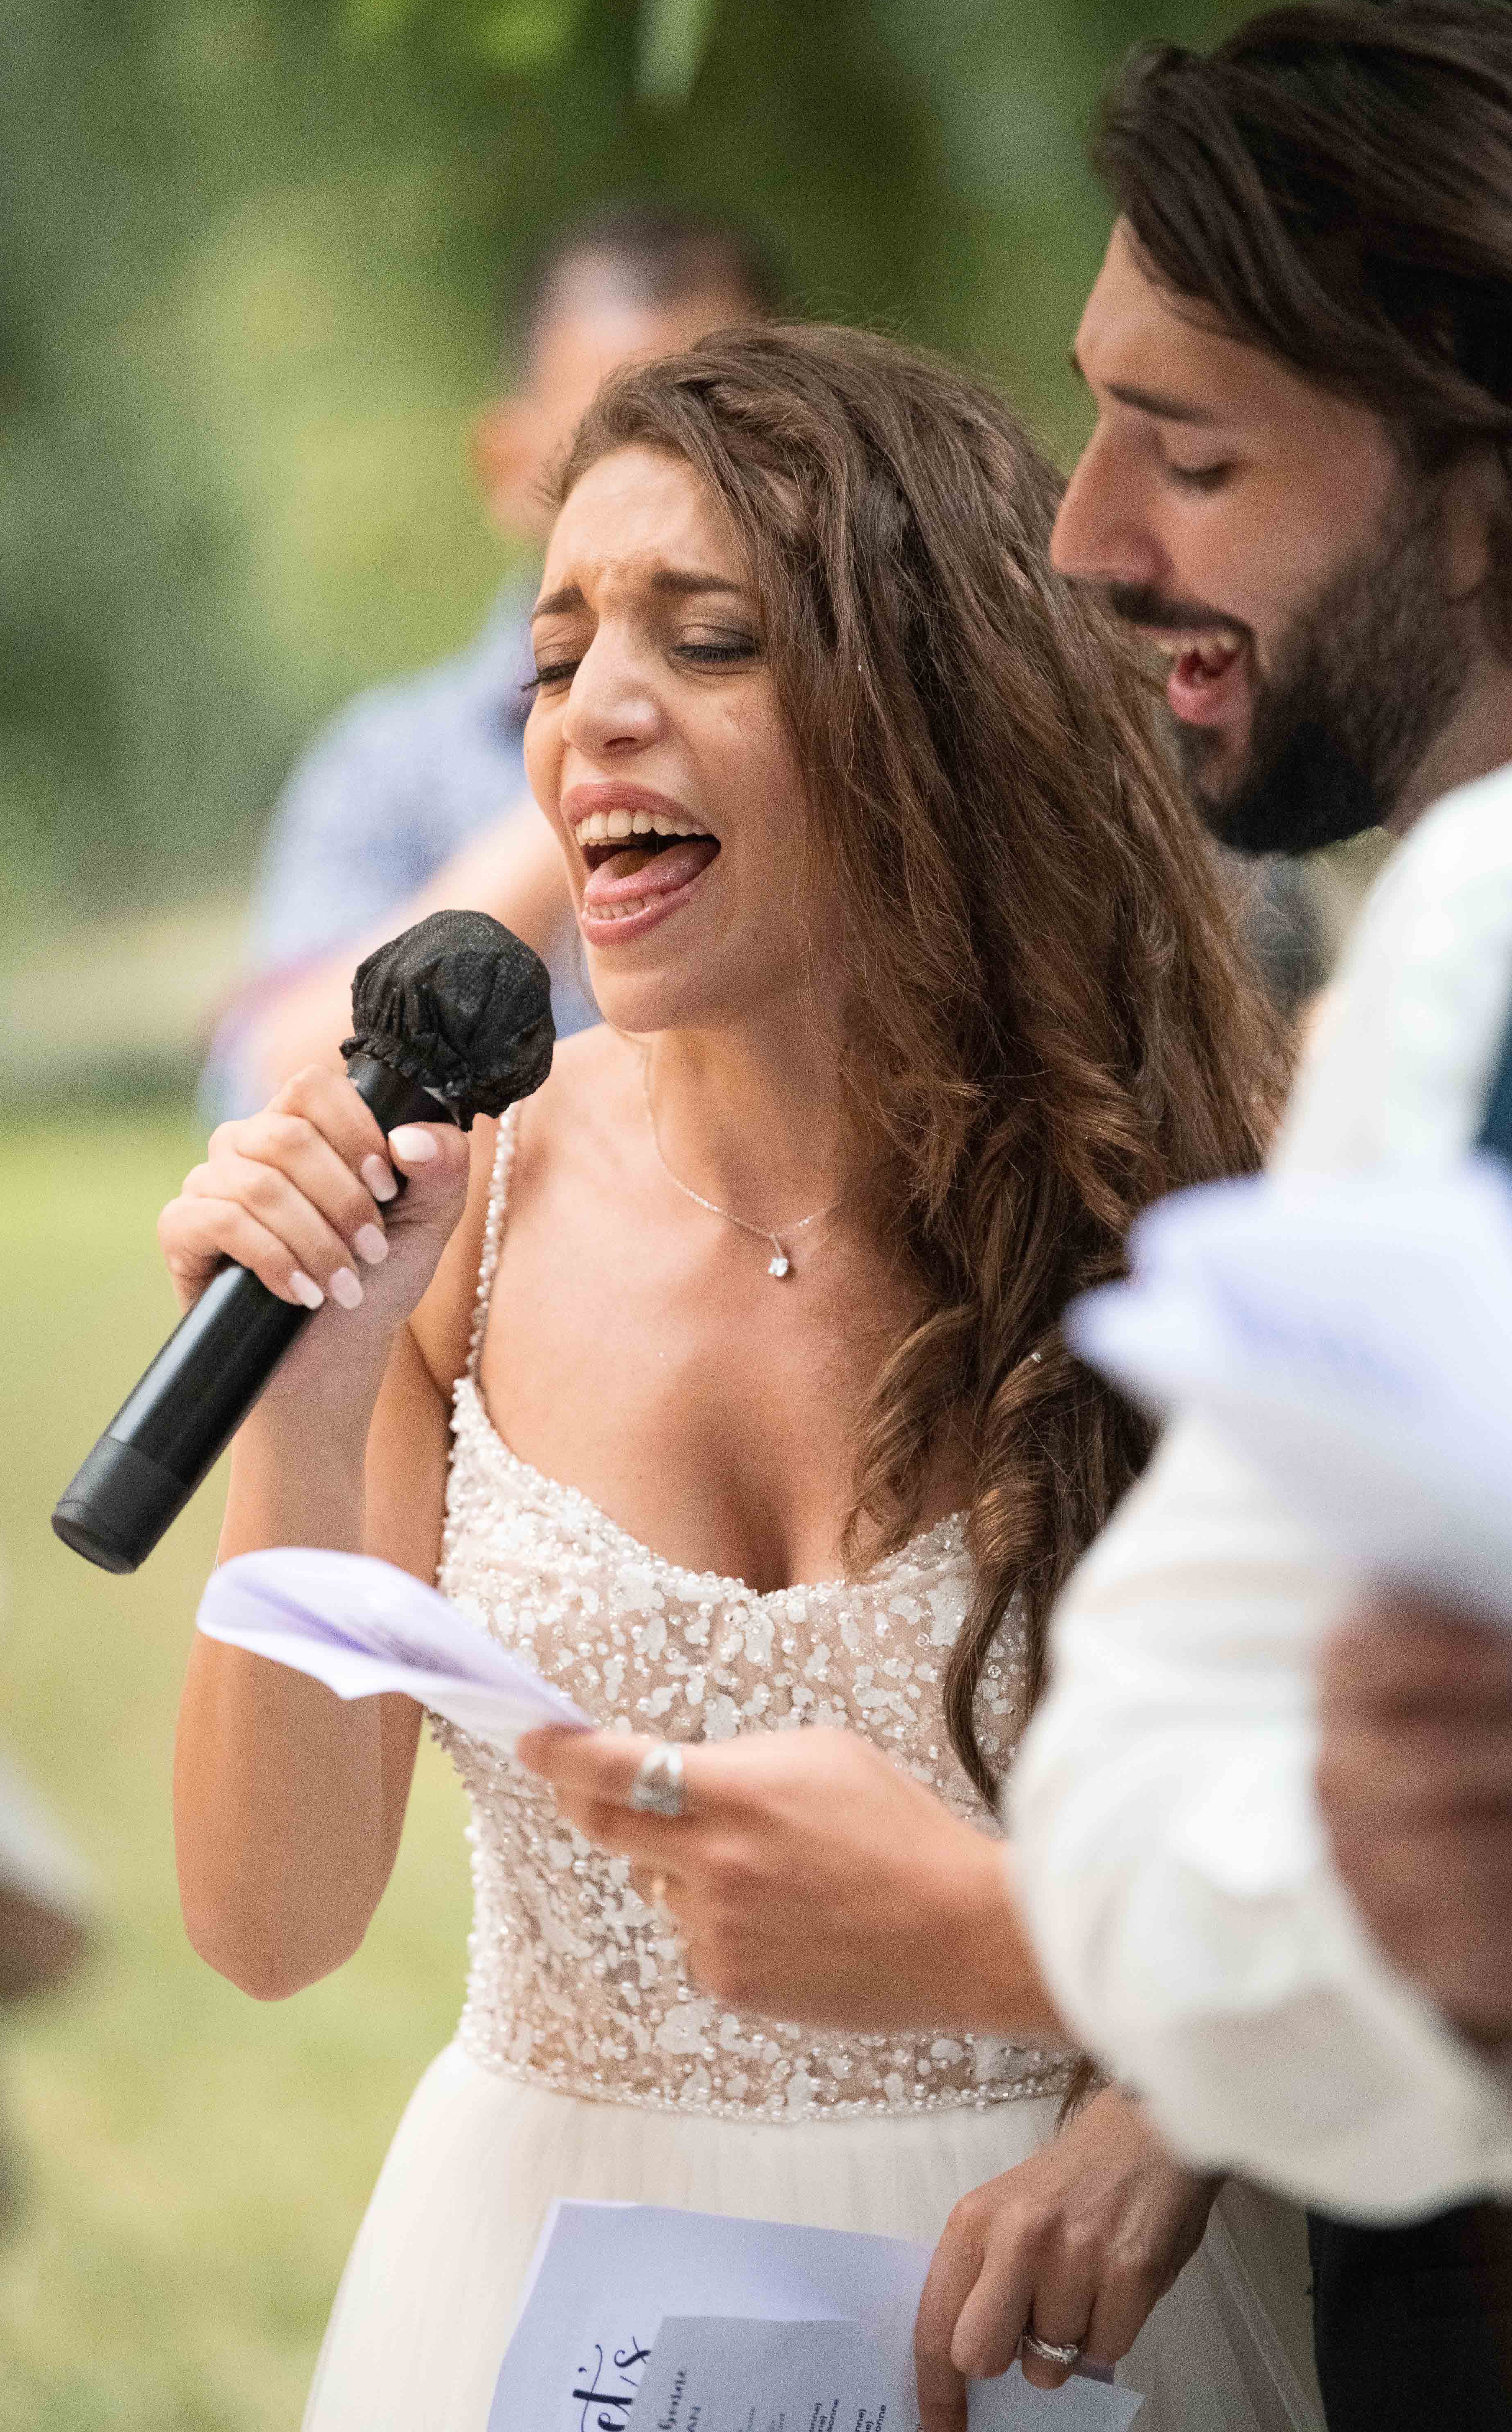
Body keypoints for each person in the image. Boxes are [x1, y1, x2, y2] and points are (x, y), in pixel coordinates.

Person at [523, 0, 1512, 2424]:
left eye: (1192, 455)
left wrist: (984, 1926)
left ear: (1480, 470)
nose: (1085, 540)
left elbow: (1450, 1863)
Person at [162, 325, 1319, 2431]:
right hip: (544, 2304)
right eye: (558, 653)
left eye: (709, 641)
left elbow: (1380, 1821)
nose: (594, 711)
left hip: (1073, 2307)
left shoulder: (1197, 1198)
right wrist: (311, 1393)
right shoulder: (469, 1220)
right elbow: (267, 1926)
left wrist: (1173, 2108)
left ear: (937, 708)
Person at [199, 205, 781, 1119]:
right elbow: (269, 1091)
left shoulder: (862, 719)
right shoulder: (389, 764)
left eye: (723, 437)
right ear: (510, 468)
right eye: (606, 443)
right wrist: (603, 793)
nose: (667, 487)